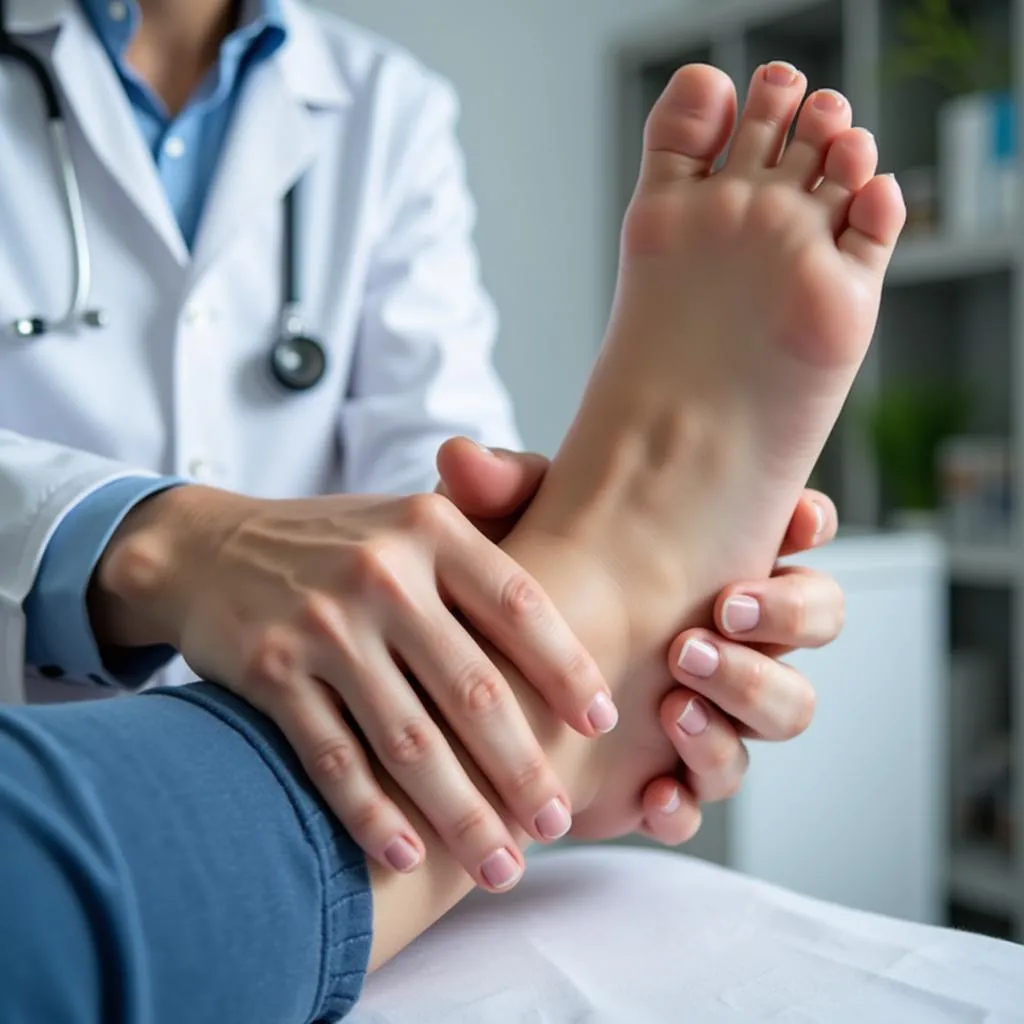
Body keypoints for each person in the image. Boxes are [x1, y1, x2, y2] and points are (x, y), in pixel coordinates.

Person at [0, 60, 907, 1023]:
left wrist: (501, 609)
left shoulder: (384, 101)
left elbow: (439, 469)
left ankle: (554, 669)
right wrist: (153, 542)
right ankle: (579, 653)